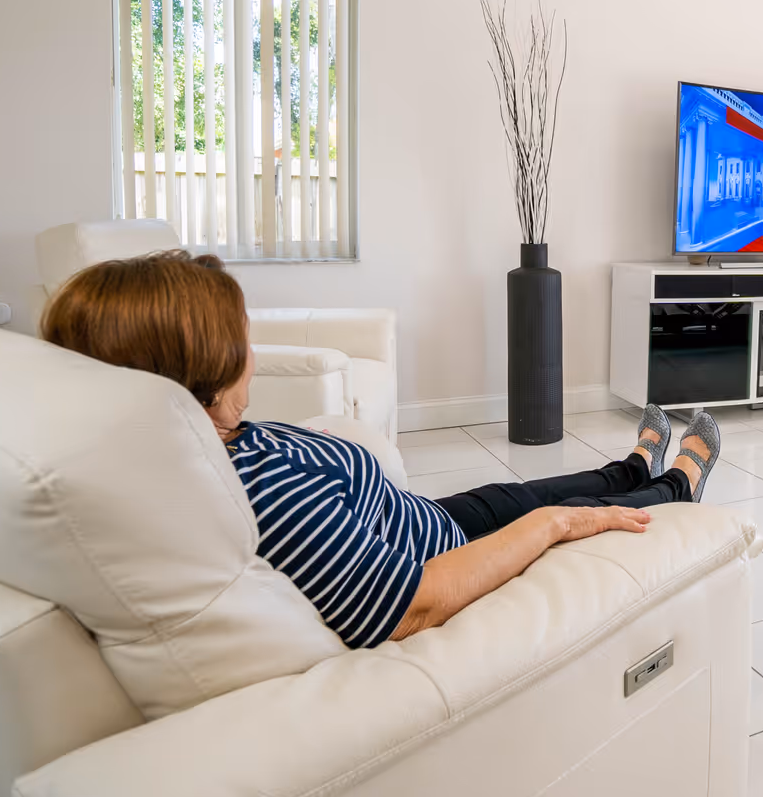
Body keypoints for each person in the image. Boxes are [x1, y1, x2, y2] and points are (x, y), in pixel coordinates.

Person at [40, 250, 723, 649]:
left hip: (418, 520)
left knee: (551, 490)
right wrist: (551, 527)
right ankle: (677, 483)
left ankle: (632, 465)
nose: (251, 352)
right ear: (208, 365)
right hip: (439, 553)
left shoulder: (190, 446)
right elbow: (414, 604)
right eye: (243, 335)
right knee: (561, 508)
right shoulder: (256, 494)